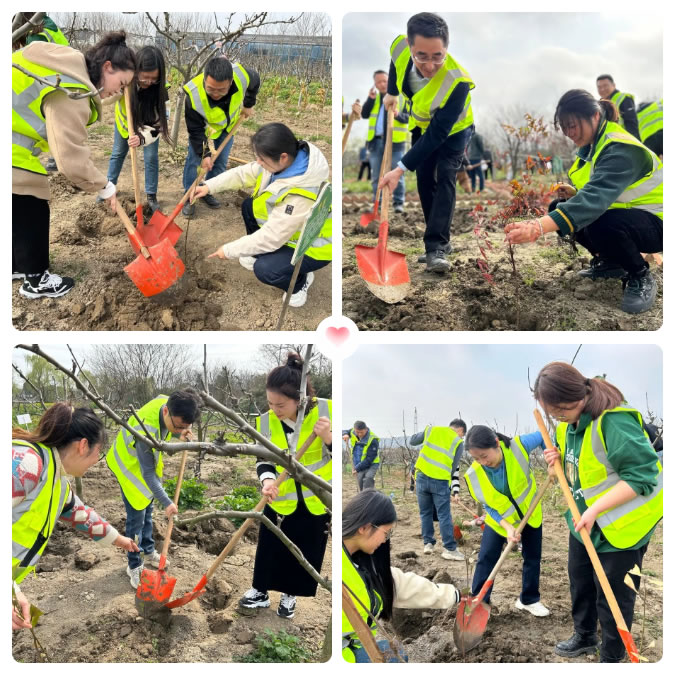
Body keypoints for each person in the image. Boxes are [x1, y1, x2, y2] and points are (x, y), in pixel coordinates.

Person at [534, 362, 662, 663]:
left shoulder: (614, 421)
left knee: (615, 595)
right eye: (553, 413)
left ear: (578, 396)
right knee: (580, 581)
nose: (558, 418)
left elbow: (643, 477)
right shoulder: (567, 423)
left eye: (561, 411)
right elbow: (578, 463)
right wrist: (556, 457)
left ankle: (613, 656)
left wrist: (594, 509)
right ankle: (585, 636)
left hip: (623, 524)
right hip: (585, 519)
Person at [505, 90, 662, 315]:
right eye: (564, 128)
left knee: (601, 223)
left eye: (573, 126)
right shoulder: (593, 145)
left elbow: (593, 201)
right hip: (633, 215)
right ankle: (611, 262)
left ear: (595, 116)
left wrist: (537, 226)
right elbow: (604, 190)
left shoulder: (620, 147)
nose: (569, 133)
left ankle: (640, 274)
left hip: (658, 221)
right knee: (558, 208)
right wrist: (576, 193)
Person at [12, 31, 136, 299]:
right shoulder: (72, 90)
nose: (120, 91)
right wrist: (105, 186)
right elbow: (69, 158)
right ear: (107, 67)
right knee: (31, 201)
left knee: (16, 203)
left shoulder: (66, 63)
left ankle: (15, 264)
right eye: (122, 83)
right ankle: (36, 278)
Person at [12, 403, 139, 630]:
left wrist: (120, 540)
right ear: (83, 445)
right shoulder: (25, 464)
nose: (96, 461)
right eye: (98, 453)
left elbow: (81, 515)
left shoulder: (57, 481)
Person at [238, 353, 332, 620]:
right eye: (270, 403)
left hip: (317, 498)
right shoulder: (266, 421)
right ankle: (260, 591)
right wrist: (267, 481)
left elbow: (344, 460)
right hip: (280, 498)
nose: (274, 409)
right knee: (269, 546)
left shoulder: (327, 411)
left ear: (299, 398)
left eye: (280, 404)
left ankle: (290, 595)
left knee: (303, 549)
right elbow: (263, 459)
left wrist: (328, 437)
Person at [379, 13, 474, 274]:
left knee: (445, 176)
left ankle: (437, 247)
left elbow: (438, 135)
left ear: (446, 49)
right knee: (423, 179)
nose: (430, 65)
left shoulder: (458, 82)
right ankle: (438, 240)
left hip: (454, 131)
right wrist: (392, 92)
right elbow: (395, 61)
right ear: (410, 47)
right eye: (422, 56)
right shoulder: (400, 47)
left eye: (437, 56)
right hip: (421, 125)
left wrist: (399, 169)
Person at [202, 123, 332, 308]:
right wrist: (208, 186)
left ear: (283, 157)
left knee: (266, 269)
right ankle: (261, 253)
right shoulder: (283, 162)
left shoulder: (302, 194)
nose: (258, 162)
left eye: (262, 159)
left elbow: (272, 237)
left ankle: (300, 282)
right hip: (288, 232)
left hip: (312, 248)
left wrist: (229, 250)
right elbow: (243, 173)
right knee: (249, 206)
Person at [342, 490, 460, 662]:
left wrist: (453, 595)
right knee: (393, 657)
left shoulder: (361, 560)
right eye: (386, 533)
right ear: (364, 527)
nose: (385, 540)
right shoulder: (341, 571)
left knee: (394, 651)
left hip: (356, 644)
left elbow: (401, 584)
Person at [105, 391, 200, 589]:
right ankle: (134, 565)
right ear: (166, 411)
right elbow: (147, 474)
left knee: (148, 510)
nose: (181, 429)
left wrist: (178, 433)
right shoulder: (145, 429)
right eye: (178, 426)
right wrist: (167, 503)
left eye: (186, 427)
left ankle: (148, 550)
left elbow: (168, 428)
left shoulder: (170, 403)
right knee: (136, 519)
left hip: (143, 464)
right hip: (128, 466)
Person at [463, 425, 549, 617]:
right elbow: (489, 507)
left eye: (484, 456)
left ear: (496, 443)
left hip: (530, 513)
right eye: (476, 458)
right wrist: (508, 527)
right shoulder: (474, 475)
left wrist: (550, 458)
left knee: (532, 557)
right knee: (486, 558)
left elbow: (542, 435)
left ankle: (529, 600)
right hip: (500, 522)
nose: (482, 462)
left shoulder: (518, 447)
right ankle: (479, 603)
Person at [181, 56, 259, 217]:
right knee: (195, 160)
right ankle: (189, 196)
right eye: (211, 89)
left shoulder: (242, 76)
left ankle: (207, 190)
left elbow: (255, 80)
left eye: (221, 90)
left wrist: (248, 104)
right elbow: (195, 131)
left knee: (220, 162)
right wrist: (205, 154)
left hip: (228, 127)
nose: (216, 94)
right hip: (205, 127)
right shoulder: (193, 96)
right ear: (204, 80)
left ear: (230, 83)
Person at [102, 45, 171, 213]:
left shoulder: (161, 91)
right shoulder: (125, 81)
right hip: (124, 125)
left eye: (153, 78)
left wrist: (141, 138)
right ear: (136, 70)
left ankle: (151, 196)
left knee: (151, 157)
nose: (149, 82)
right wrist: (115, 87)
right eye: (144, 77)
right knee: (118, 154)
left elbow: (159, 125)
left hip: (148, 130)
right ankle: (108, 189)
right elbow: (103, 100)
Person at [409, 418, 466, 560]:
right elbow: (453, 467)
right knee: (444, 515)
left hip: (421, 477)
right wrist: (448, 487)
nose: (461, 437)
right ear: (460, 430)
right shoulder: (458, 442)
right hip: (440, 481)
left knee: (425, 513)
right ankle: (449, 549)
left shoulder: (432, 430)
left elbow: (412, 441)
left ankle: (428, 544)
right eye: (462, 435)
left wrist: (425, 432)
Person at [361, 69, 409, 213]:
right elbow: (364, 114)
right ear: (375, 84)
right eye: (379, 82)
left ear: (390, 81)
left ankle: (398, 203)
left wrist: (397, 115)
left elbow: (409, 118)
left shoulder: (401, 98)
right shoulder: (374, 99)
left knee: (397, 174)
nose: (382, 84)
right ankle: (378, 203)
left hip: (396, 143)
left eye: (385, 81)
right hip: (375, 143)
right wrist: (370, 99)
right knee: (376, 176)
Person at [596, 75, 640, 140]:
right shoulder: (600, 105)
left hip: (625, 141)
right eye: (599, 87)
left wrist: (633, 144)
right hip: (611, 142)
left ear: (614, 85)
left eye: (605, 86)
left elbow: (631, 124)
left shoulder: (623, 98)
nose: (602, 89)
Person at [342, 421, 380, 491]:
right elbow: (345, 431)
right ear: (355, 429)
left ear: (366, 429)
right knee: (359, 483)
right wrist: (345, 434)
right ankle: (360, 496)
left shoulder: (373, 440)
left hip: (372, 464)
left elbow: (370, 459)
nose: (359, 434)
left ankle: (369, 496)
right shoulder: (353, 432)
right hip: (358, 463)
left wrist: (357, 468)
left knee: (368, 479)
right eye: (357, 432)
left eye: (361, 432)